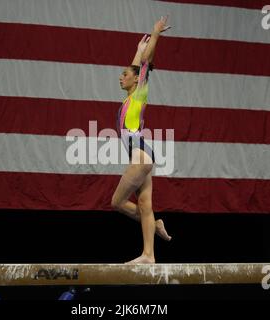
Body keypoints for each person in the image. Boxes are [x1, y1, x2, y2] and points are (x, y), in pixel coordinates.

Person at [111, 16, 172, 264]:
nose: (120, 77)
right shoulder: (131, 97)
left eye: (124, 74)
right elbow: (138, 67)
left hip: (140, 153)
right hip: (143, 154)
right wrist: (137, 51)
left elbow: (144, 66)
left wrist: (155, 34)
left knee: (117, 202)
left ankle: (155, 223)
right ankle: (149, 254)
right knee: (144, 204)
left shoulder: (140, 93)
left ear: (136, 80)